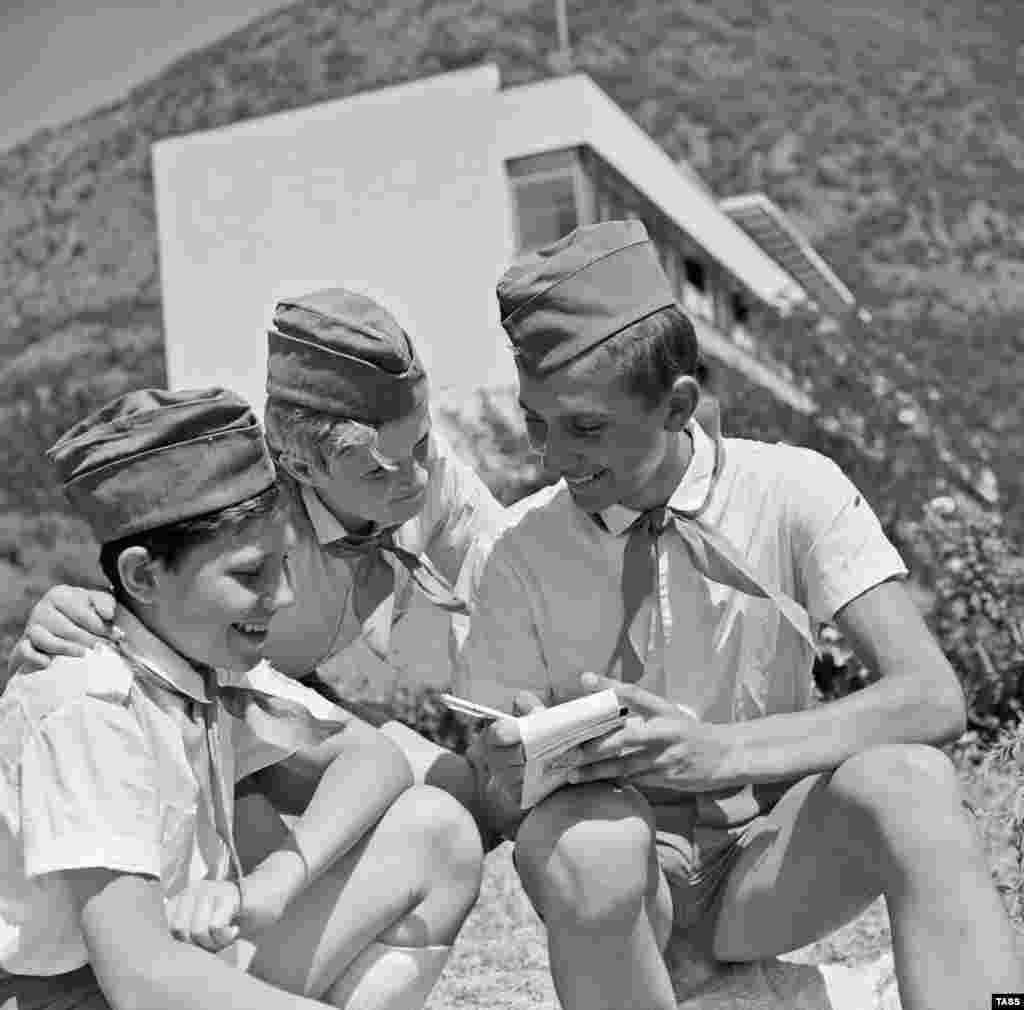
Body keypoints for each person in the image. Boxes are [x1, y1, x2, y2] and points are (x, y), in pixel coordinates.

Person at [458, 220, 1024, 1009]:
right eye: (537, 422)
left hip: (771, 863)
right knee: (590, 847)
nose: (553, 456)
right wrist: (519, 763)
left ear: (676, 404)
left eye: (586, 427)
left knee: (913, 782)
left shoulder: (795, 490)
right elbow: (496, 798)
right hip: (623, 888)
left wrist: (717, 753)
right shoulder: (517, 552)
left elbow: (932, 698)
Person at [0, 388, 482, 1010]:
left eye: (284, 566)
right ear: (145, 576)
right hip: (81, 996)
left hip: (172, 972)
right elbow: (140, 980)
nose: (281, 598)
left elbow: (376, 758)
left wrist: (273, 885)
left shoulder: (205, 657)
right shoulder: (91, 701)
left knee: (435, 831)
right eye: (250, 574)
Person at [5, 288, 508, 828]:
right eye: (378, 471)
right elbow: (145, 586)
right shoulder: (250, 508)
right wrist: (61, 609)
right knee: (395, 807)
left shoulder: (428, 474)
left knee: (471, 796)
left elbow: (509, 575)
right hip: (213, 707)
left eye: (422, 445)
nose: (418, 480)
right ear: (300, 463)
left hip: (292, 690)